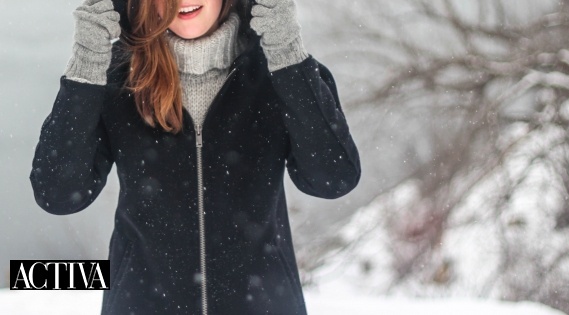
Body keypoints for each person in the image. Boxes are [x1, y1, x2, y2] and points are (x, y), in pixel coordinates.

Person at [29, 0, 361, 313]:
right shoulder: (118, 78)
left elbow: (333, 179)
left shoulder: (280, 71)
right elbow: (57, 194)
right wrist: (87, 63)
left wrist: (287, 51)